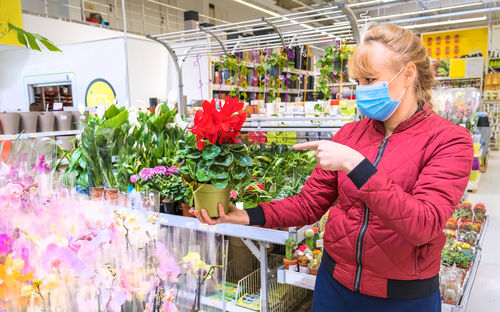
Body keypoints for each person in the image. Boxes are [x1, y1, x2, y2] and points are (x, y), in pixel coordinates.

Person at [191, 24, 473, 312]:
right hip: (333, 286)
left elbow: (423, 225)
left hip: (402, 298)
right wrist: (244, 216)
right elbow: (308, 204)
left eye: (371, 79)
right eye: (358, 81)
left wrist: (355, 164)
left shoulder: (449, 140)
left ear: (408, 74)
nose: (362, 90)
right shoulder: (351, 134)